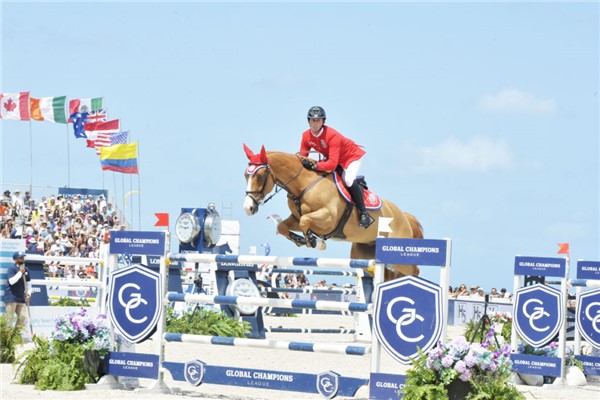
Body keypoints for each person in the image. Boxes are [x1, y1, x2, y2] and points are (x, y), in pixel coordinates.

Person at [298, 106, 374, 228]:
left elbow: (332, 164)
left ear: (323, 122)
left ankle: (364, 214)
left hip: (352, 157)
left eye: (318, 120)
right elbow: (303, 157)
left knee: (348, 180)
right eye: (313, 120)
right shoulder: (306, 136)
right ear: (309, 121)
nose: (315, 124)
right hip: (336, 158)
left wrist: (315, 165)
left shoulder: (332, 135)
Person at [3, 251, 31, 332]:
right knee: (9, 319)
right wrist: (20, 272)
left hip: (21, 298)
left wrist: (28, 294)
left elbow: (29, 283)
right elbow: (11, 281)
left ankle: (15, 335)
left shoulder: (27, 270)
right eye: (20, 257)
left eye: (23, 257)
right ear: (15, 260)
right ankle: (7, 339)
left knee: (22, 317)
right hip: (11, 297)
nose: (22, 258)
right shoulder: (11, 269)